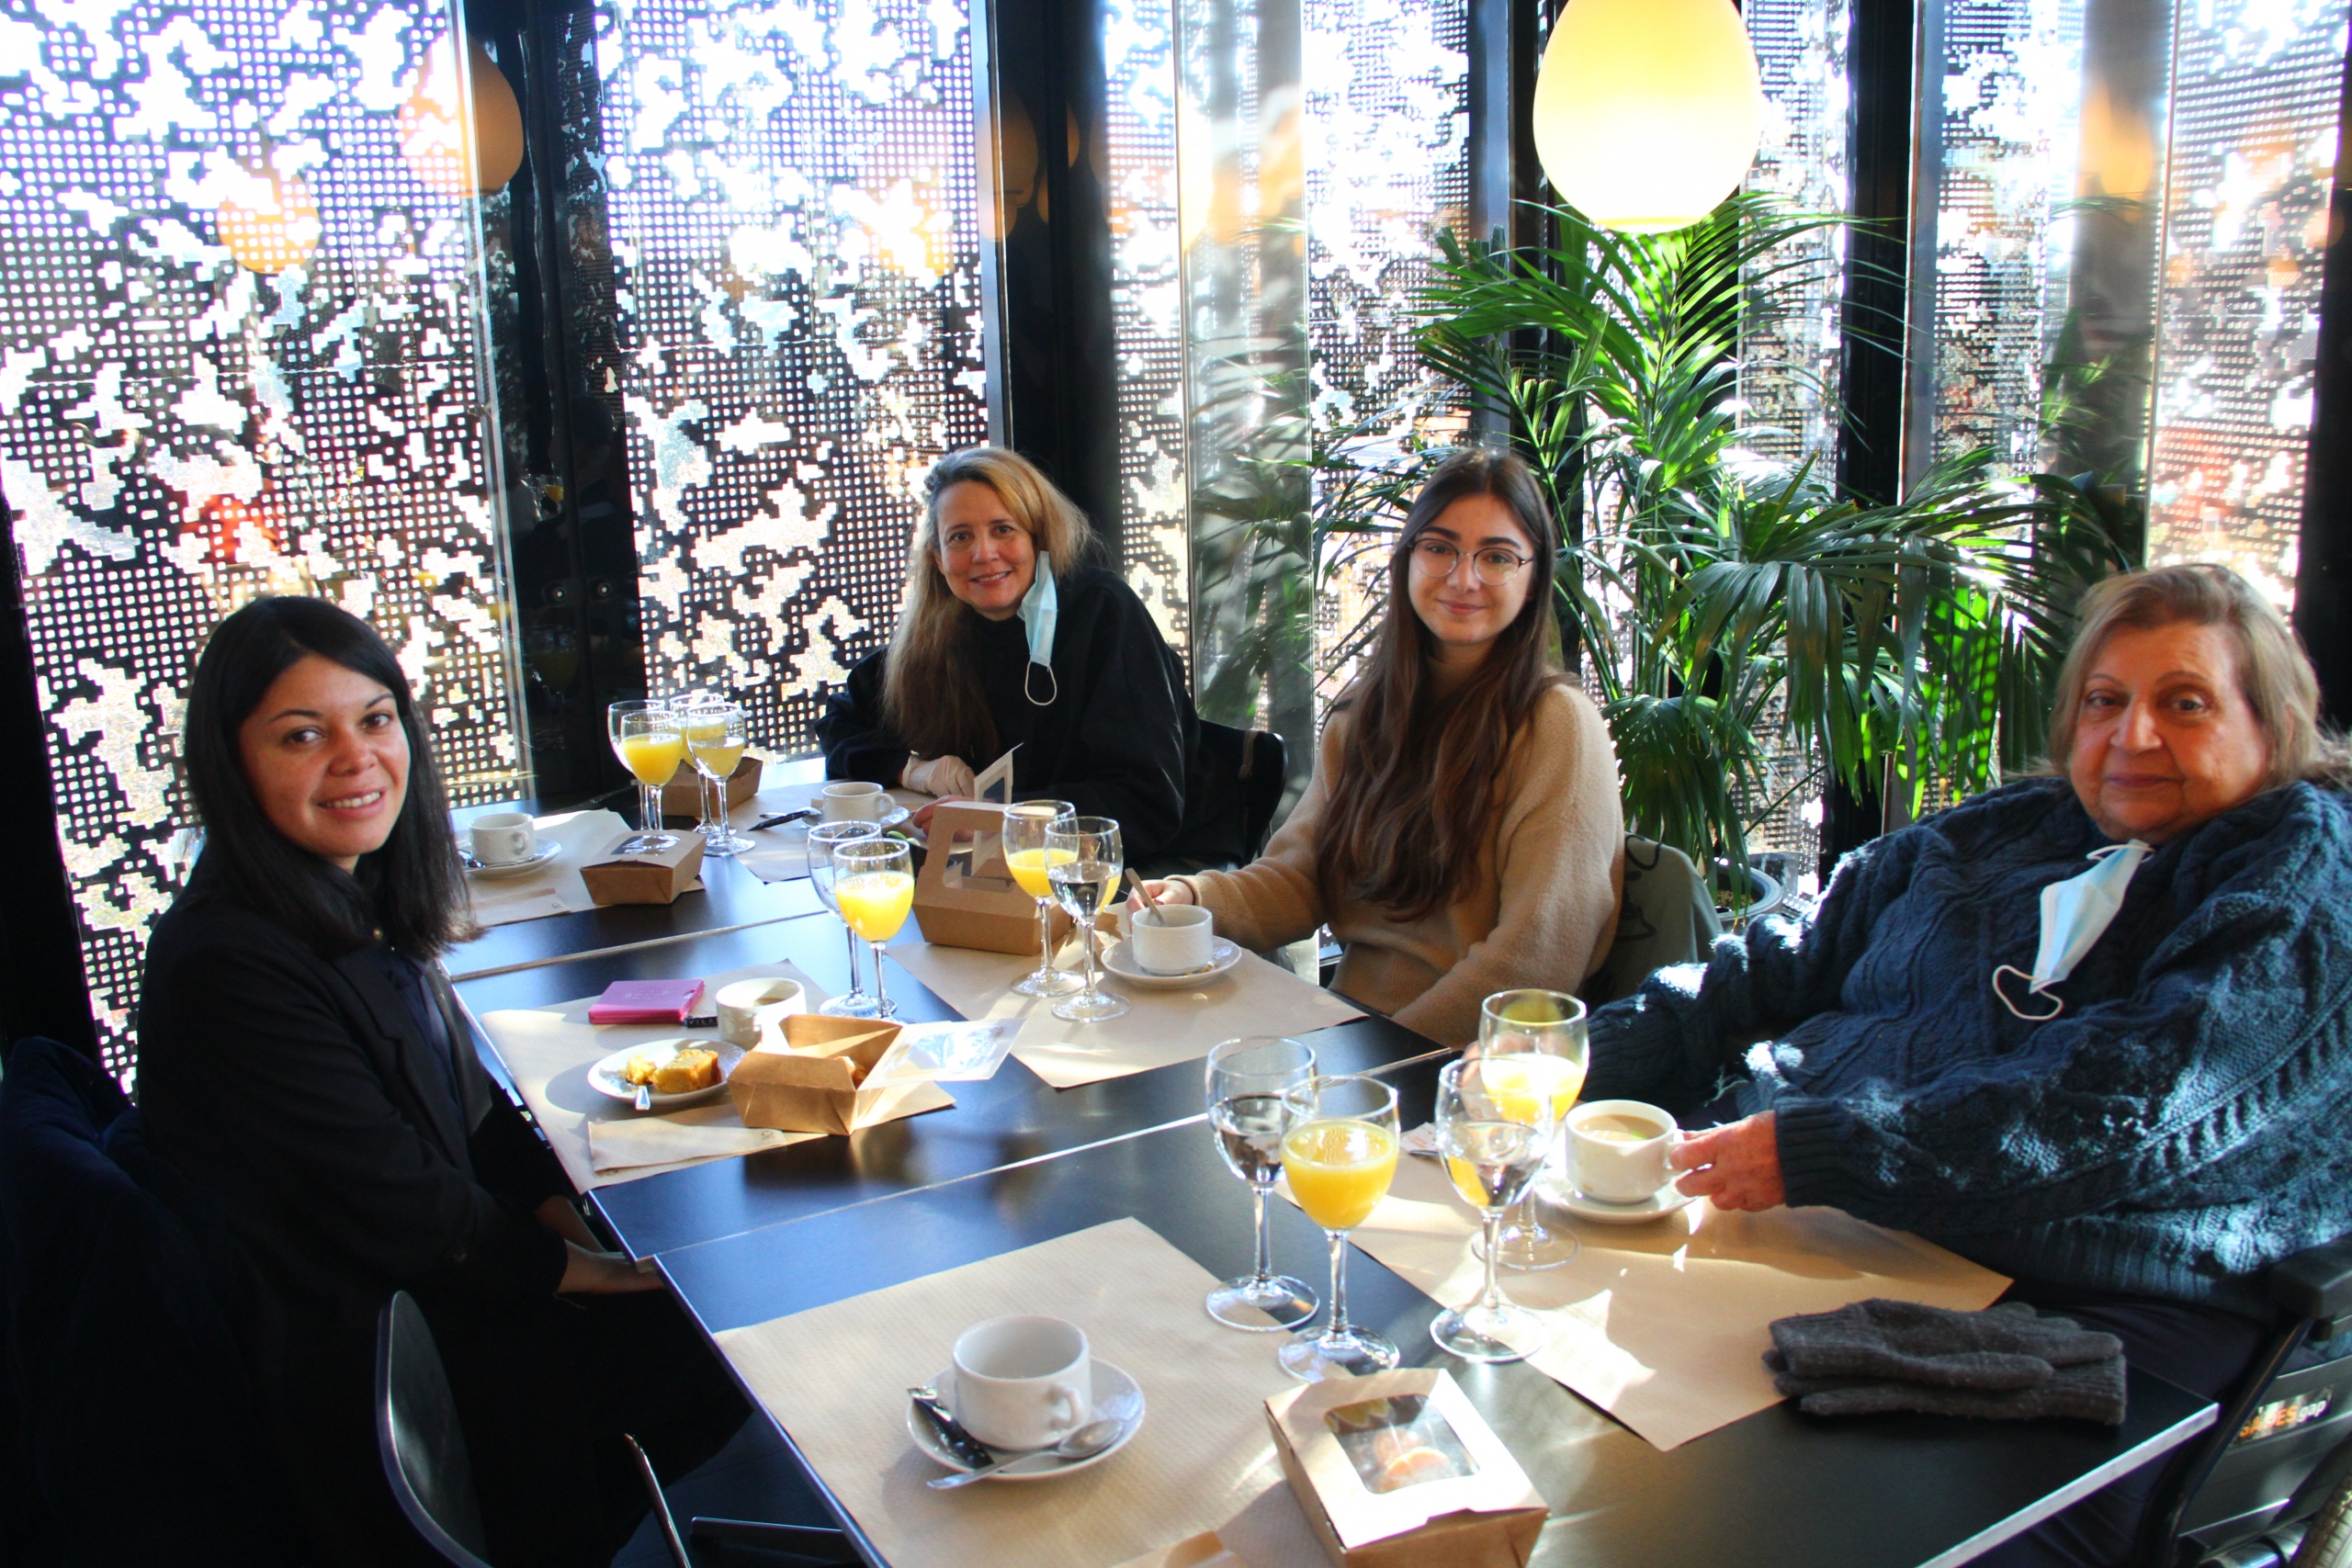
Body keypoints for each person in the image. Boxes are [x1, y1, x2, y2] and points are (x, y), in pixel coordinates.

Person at [1585, 564, 2352, 1567]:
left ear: (2274, 724)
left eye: (2185, 703)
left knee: (1772, 1531)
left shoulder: (2298, 880)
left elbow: (2126, 1102)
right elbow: (1780, 955)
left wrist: (1822, 1151)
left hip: (2091, 1298)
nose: (2132, 736)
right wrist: (1575, 1056)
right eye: (2104, 701)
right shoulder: (2007, 829)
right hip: (1828, 1220)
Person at [137, 596, 745, 1568]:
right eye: (303, 735)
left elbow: (473, 1114)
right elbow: (398, 1205)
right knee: (739, 1311)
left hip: (442, 1288)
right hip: (388, 1366)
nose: (356, 759)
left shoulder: (351, 895)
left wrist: (570, 1222)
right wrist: (583, 1271)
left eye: (375, 720)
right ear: (229, 758)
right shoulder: (229, 964)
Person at [1135, 447, 1624, 1048]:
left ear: (1532, 579)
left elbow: (1534, 963)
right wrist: (1192, 896)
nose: (1463, 577)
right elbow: (1300, 878)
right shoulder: (1367, 712)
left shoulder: (1556, 726)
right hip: (1347, 1031)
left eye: (1497, 557)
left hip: (1465, 1065)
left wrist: (1387, 1058)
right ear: (1408, 559)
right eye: (1440, 547)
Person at [816, 446, 1201, 861]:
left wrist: (1002, 819)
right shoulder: (940, 629)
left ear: (1039, 538)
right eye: (960, 537)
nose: (983, 554)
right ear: (938, 558)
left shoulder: (1104, 612)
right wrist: (912, 769)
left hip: (1129, 869)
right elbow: (839, 721)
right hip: (989, 866)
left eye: (1003, 529)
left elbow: (1146, 802)